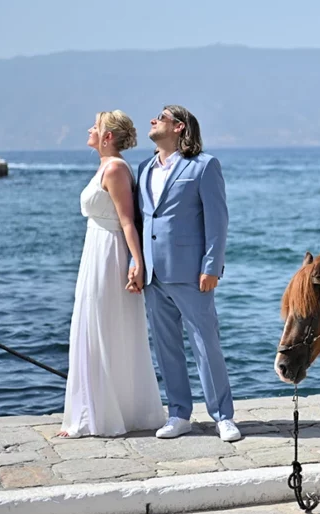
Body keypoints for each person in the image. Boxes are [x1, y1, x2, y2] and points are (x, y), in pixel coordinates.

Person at [128, 105, 240, 442]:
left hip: (191, 273)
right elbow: (139, 221)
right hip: (152, 274)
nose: (152, 121)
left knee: (206, 345)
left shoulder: (204, 166)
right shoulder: (144, 167)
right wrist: (136, 264)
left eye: (160, 117)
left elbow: (217, 221)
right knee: (166, 348)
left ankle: (223, 416)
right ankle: (179, 414)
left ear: (179, 127)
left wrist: (211, 267)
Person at [59, 110, 165, 438]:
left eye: (96, 126)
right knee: (92, 326)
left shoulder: (116, 168)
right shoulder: (105, 166)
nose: (90, 129)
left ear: (107, 137)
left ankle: (102, 416)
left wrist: (137, 264)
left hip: (109, 254)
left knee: (103, 327)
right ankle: (93, 411)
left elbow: (127, 221)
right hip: (95, 250)